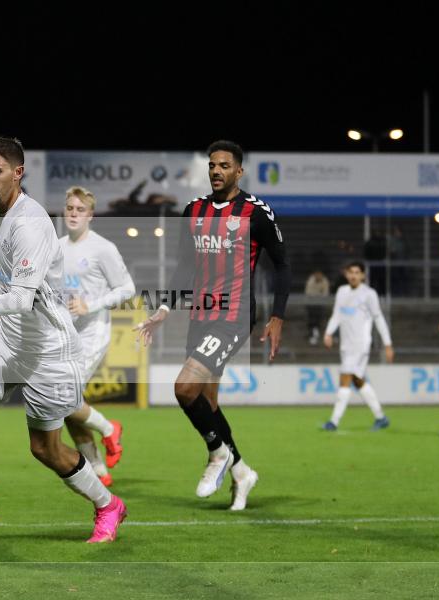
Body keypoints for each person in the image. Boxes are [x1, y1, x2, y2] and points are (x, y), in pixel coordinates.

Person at [0, 137, 126, 543]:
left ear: (18, 172)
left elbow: (22, 296)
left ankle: (108, 505)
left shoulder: (30, 222)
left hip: (48, 349)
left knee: (46, 449)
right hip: (10, 339)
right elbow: (19, 287)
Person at [134, 140, 291, 511]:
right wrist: (164, 310)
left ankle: (218, 454)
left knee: (184, 388)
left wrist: (277, 316)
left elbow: (282, 264)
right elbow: (183, 266)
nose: (216, 171)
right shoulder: (195, 210)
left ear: (239, 171)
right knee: (207, 402)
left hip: (234, 316)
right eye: (212, 165)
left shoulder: (255, 212)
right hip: (200, 315)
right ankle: (241, 471)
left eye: (224, 165)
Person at [60, 186, 134, 487]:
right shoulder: (56, 247)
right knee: (65, 406)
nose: (74, 214)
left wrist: (90, 305)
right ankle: (99, 471)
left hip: (92, 334)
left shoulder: (103, 248)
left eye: (80, 210)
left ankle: (108, 429)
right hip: (64, 336)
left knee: (62, 398)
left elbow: (127, 289)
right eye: (70, 209)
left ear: (90, 214)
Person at [322, 262, 394, 431]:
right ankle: (381, 417)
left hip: (360, 345)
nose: (354, 275)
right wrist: (328, 333)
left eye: (357, 272)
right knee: (358, 380)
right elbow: (337, 315)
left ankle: (334, 421)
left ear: (362, 275)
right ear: (346, 274)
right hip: (346, 346)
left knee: (345, 378)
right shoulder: (342, 292)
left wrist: (388, 344)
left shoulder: (369, 294)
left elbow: (379, 318)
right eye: (351, 272)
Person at [304, 270, 330, 346]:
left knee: (318, 314)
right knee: (311, 315)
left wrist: (318, 297)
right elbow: (308, 292)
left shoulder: (325, 281)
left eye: (320, 275)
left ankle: (316, 330)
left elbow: (325, 293)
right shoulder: (311, 280)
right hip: (311, 303)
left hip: (320, 304)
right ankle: (312, 331)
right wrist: (318, 295)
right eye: (317, 275)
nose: (318, 277)